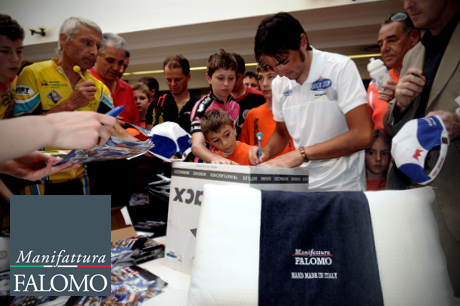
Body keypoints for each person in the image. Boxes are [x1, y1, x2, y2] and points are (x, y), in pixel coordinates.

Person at [383, 0, 460, 299]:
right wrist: (399, 105)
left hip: (451, 196)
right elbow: (395, 126)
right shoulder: (414, 52)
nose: (408, 4)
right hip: (407, 193)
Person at [250, 12, 373, 191]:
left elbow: (362, 134)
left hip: (342, 186)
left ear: (302, 41)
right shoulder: (279, 84)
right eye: (273, 66)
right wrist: (266, 151)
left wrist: (302, 154)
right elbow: (282, 133)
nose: (280, 72)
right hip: (302, 186)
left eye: (284, 62)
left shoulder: (340, 68)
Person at [13, 16, 114, 195]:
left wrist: (148, 144)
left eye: (97, 46)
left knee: (82, 225)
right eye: (87, 42)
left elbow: (115, 129)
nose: (94, 52)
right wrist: (69, 104)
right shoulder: (33, 74)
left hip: (81, 180)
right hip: (40, 181)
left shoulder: (100, 87)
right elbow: (19, 132)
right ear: (64, 40)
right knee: (39, 225)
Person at [367, 12, 419, 129]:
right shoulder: (374, 84)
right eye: (381, 44)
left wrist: (401, 103)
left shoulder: (427, 73)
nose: (384, 49)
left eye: (392, 40)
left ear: (414, 37)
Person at [190, 49, 240, 164]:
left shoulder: (235, 105)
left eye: (231, 78)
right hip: (206, 168)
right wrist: (217, 159)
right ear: (209, 78)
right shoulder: (202, 106)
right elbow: (196, 147)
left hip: (230, 164)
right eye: (220, 78)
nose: (226, 83)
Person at [239, 61, 294, 159]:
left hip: (291, 170)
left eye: (271, 77)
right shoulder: (252, 114)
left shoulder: (294, 110)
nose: (264, 84)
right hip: (261, 171)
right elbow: (243, 150)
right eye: (260, 78)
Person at [90, 33, 140, 125]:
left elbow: (136, 125)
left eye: (120, 63)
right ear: (96, 55)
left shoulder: (127, 88)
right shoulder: (83, 83)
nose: (116, 68)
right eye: (110, 61)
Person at [145, 55, 198, 133]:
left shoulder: (198, 106)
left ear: (188, 77)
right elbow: (150, 137)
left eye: (177, 79)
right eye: (169, 80)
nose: (173, 84)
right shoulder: (156, 105)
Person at [231, 53, 265, 128]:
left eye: (236, 78)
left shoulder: (261, 98)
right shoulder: (219, 100)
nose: (232, 82)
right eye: (230, 78)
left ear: (243, 74)